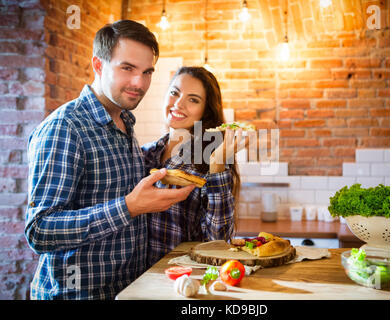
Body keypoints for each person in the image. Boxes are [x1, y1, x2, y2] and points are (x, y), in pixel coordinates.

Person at [24, 20, 195, 300]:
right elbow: (40, 231)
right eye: (127, 68)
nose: (139, 83)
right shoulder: (65, 128)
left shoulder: (125, 120)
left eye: (147, 72)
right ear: (99, 65)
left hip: (127, 290)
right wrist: (129, 207)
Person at [142, 66, 245, 267]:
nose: (178, 104)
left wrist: (217, 167)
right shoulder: (144, 155)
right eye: (174, 93)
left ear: (205, 112)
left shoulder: (207, 164)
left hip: (182, 280)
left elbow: (218, 243)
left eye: (193, 100)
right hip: (136, 284)